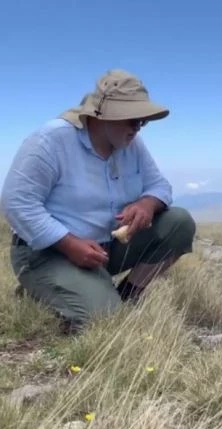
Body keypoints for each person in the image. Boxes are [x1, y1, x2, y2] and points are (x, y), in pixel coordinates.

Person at [1, 69, 196, 334]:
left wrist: (147, 204)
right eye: (132, 119)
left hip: (103, 248)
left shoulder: (131, 143)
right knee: (106, 321)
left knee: (179, 223)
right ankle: (40, 290)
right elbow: (17, 202)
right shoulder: (51, 140)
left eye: (142, 121)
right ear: (103, 116)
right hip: (47, 253)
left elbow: (159, 186)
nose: (137, 127)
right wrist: (69, 244)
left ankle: (128, 296)